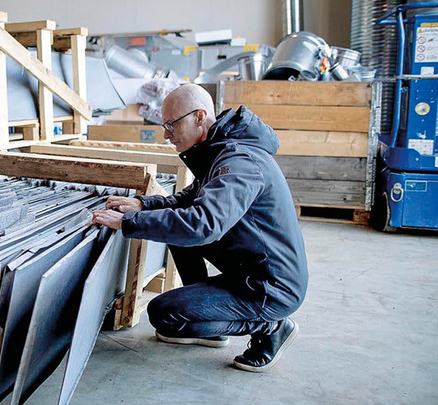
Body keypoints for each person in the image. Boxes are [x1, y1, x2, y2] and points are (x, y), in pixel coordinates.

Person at [92, 83, 307, 373]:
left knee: (163, 314)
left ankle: (271, 325)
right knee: (176, 225)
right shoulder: (218, 149)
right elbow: (189, 199)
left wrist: (129, 222)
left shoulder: (239, 160)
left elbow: (204, 224)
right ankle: (207, 318)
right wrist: (144, 206)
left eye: (170, 124)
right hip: (249, 269)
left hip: (268, 287)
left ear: (199, 116)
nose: (166, 134)